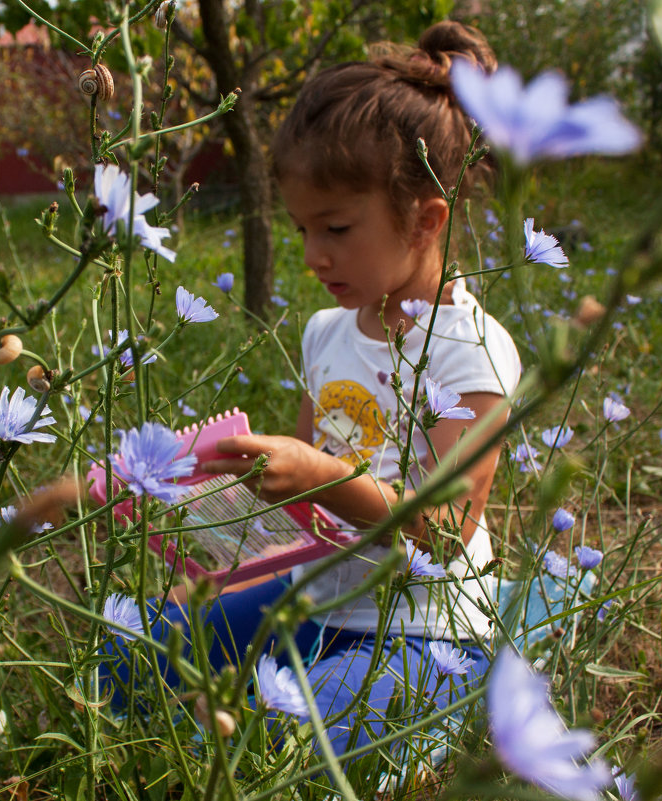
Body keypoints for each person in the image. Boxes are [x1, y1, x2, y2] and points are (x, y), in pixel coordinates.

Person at [105, 20, 521, 765]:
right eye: (299, 228)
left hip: (423, 626)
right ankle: (221, 699)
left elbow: (445, 527)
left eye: (333, 227)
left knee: (288, 752)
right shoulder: (327, 332)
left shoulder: (471, 353)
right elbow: (299, 504)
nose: (310, 255)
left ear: (426, 220)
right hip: (310, 597)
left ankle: (240, 716)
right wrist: (216, 532)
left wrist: (324, 475)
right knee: (126, 653)